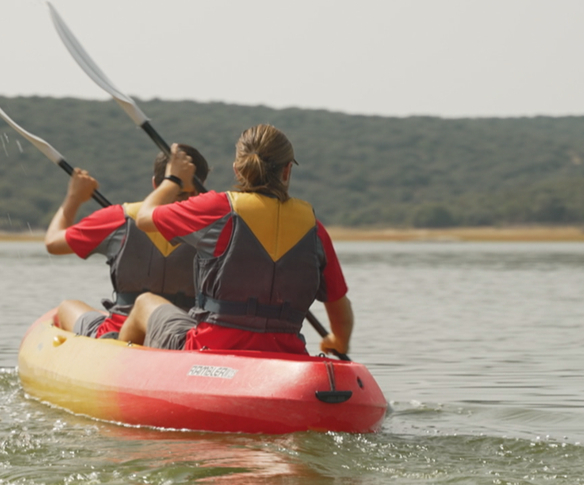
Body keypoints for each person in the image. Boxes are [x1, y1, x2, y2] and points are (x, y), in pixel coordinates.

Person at [118, 125, 353, 356]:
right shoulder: (314, 228)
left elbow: (144, 218)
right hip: (286, 355)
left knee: (144, 303)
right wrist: (337, 342)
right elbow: (340, 312)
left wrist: (173, 179)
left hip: (210, 349)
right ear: (287, 170)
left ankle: (120, 372)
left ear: (238, 170)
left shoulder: (217, 209)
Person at [44, 145, 211, 339]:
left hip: (119, 332)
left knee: (67, 307)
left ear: (156, 184)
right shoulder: (214, 223)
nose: (186, 202)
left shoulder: (117, 218)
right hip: (183, 332)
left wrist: (74, 197)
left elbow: (53, 242)